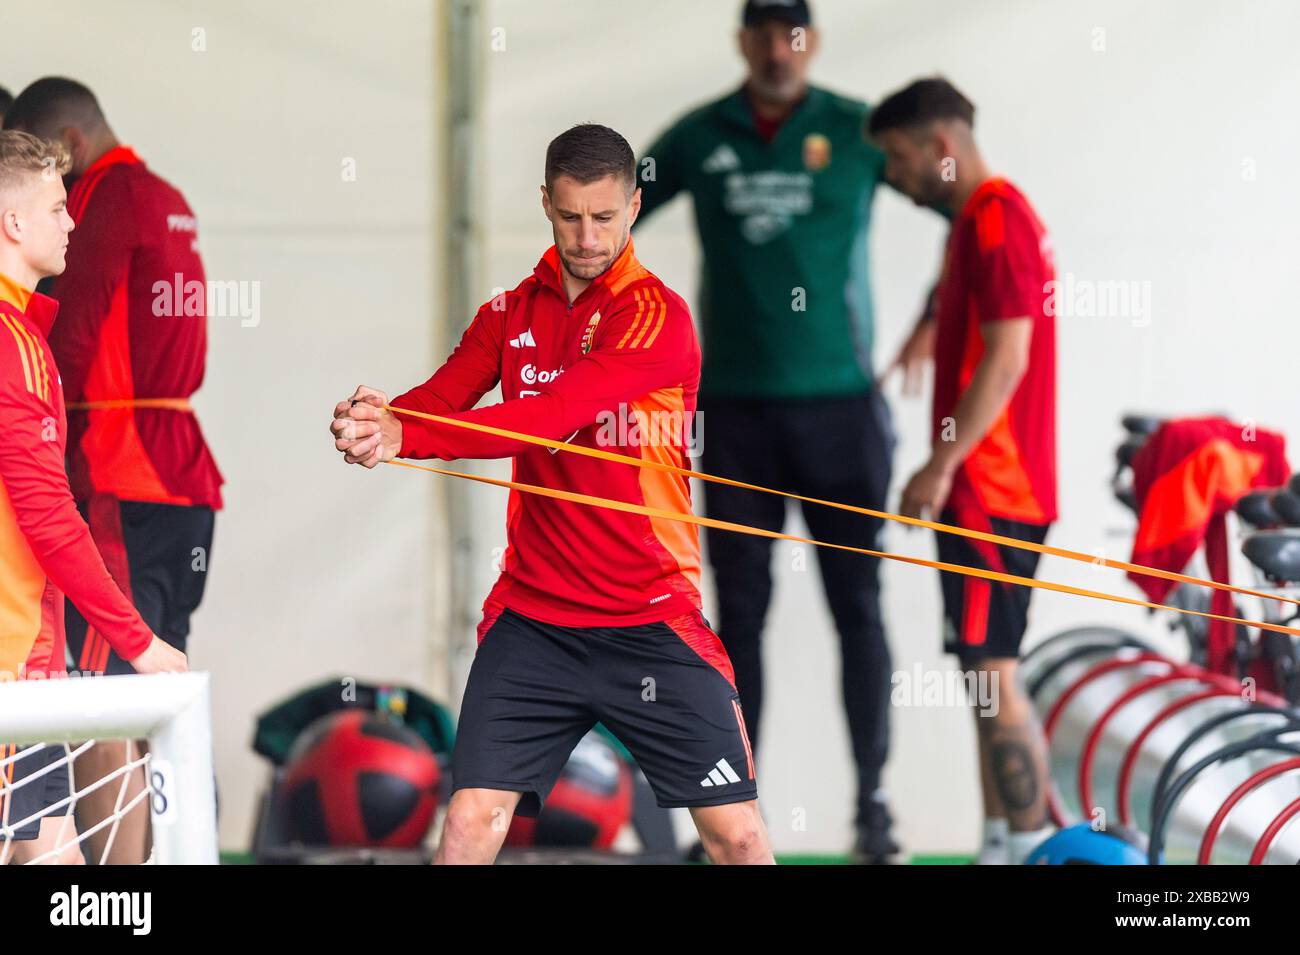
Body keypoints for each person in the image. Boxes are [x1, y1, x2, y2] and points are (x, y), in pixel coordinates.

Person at [331, 123, 774, 864]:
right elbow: (442, 398)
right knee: (471, 820)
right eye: (571, 216)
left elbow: (549, 420)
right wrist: (381, 421)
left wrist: (412, 434)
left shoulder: (655, 316)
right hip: (535, 619)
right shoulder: (509, 313)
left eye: (605, 216)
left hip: (650, 616)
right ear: (545, 203)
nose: (588, 236)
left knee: (738, 834)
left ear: (635, 206)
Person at [634, 0, 927, 860]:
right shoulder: (700, 135)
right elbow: (609, 212)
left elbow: (969, 205)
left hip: (842, 413)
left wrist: (932, 319)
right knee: (736, 621)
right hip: (735, 415)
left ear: (812, 42)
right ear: (742, 44)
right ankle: (728, 816)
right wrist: (610, 332)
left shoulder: (860, 131)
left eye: (790, 34)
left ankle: (873, 804)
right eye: (761, 34)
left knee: (858, 608)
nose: (776, 49)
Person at [5, 77, 222, 864]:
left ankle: (121, 891)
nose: (66, 215)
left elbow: (74, 335)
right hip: (180, 472)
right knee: (139, 697)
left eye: (64, 197)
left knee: (108, 698)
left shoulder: (111, 199)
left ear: (65, 148)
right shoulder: (165, 194)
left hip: (121, 471)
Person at [869, 77, 1058, 864]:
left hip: (992, 492)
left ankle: (1036, 845)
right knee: (982, 676)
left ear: (940, 148)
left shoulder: (997, 221)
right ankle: (998, 847)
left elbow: (1008, 355)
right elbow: (964, 291)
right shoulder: (976, 223)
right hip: (991, 490)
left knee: (995, 675)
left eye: (901, 159)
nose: (894, 178)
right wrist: (924, 325)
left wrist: (939, 467)